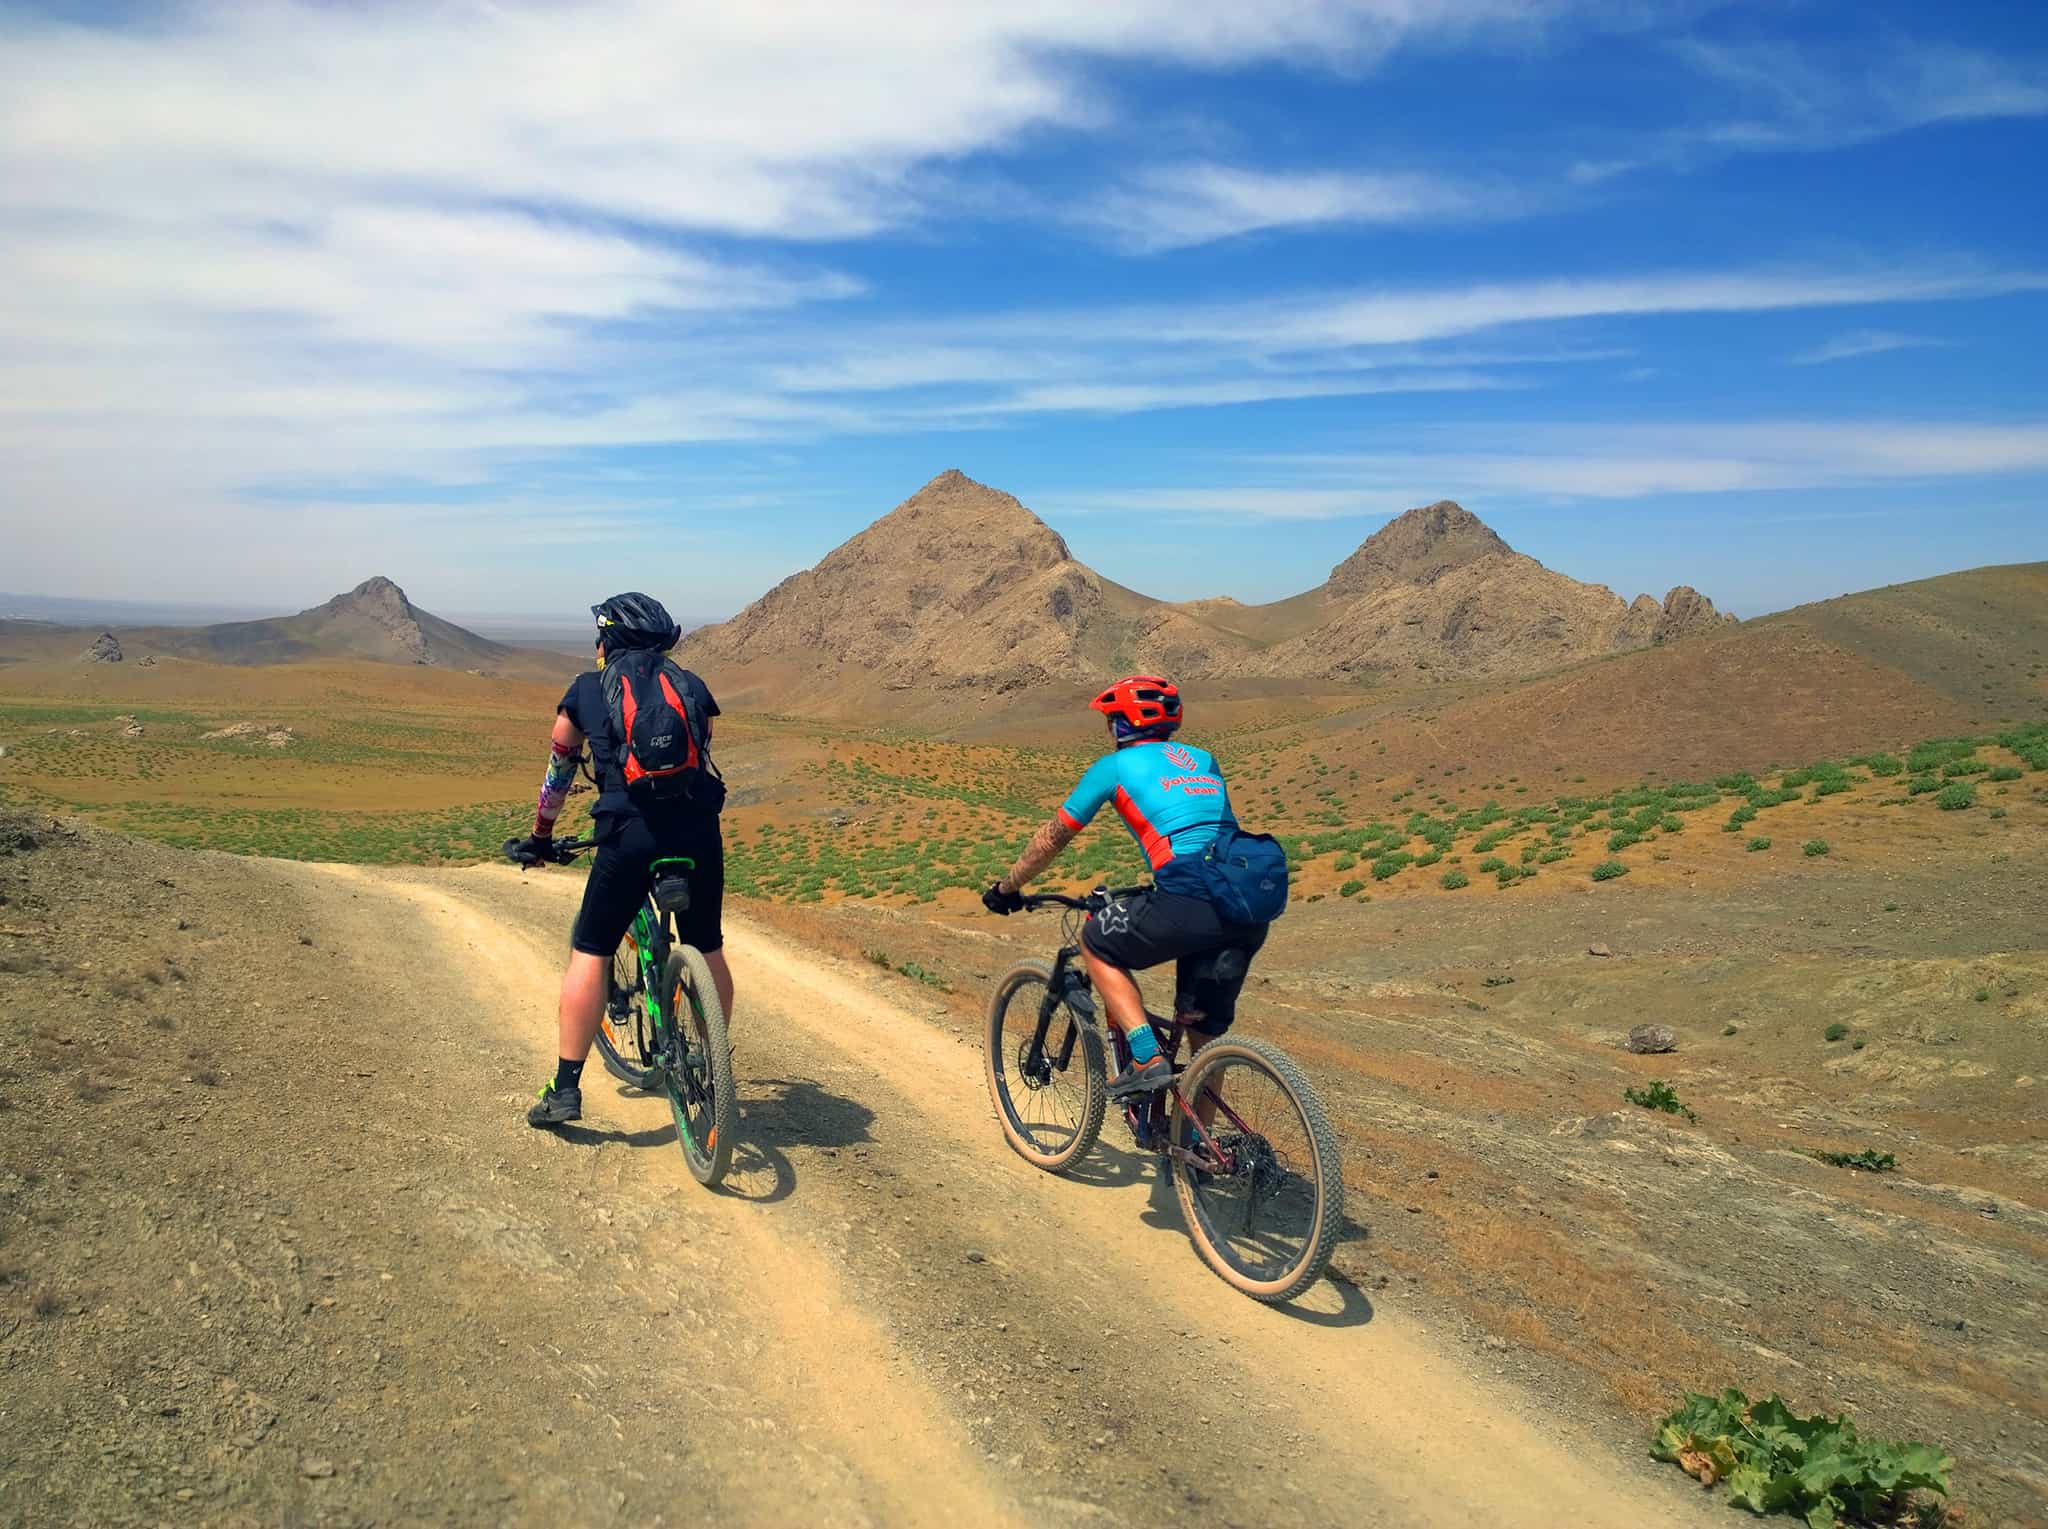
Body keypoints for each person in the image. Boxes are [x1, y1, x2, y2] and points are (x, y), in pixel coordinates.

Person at [982, 675, 1270, 1097]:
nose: (1108, 729)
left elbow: (1052, 838)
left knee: (1095, 941)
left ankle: (1146, 1057)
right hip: (1245, 904)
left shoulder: (1113, 767)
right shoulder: (1205, 760)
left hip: (1188, 902)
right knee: (1202, 1037)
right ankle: (1199, 1154)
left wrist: (1007, 887)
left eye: (1110, 720)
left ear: (1122, 724)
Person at [507, 593, 732, 1127]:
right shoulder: (691, 687)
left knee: (590, 951)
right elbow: (698, 756)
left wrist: (542, 836)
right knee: (708, 944)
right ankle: (712, 1060)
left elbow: (559, 771)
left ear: (606, 642)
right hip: (699, 833)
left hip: (629, 836)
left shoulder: (586, 690)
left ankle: (565, 1089)